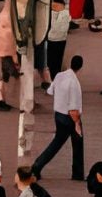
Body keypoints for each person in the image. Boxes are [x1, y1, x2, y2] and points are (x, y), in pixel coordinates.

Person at [30, 54, 85, 182]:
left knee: (61, 142)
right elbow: (73, 108)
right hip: (69, 117)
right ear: (80, 67)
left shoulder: (60, 76)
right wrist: (77, 124)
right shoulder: (74, 83)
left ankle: (77, 173)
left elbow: (50, 91)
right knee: (73, 143)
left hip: (58, 115)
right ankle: (76, 173)